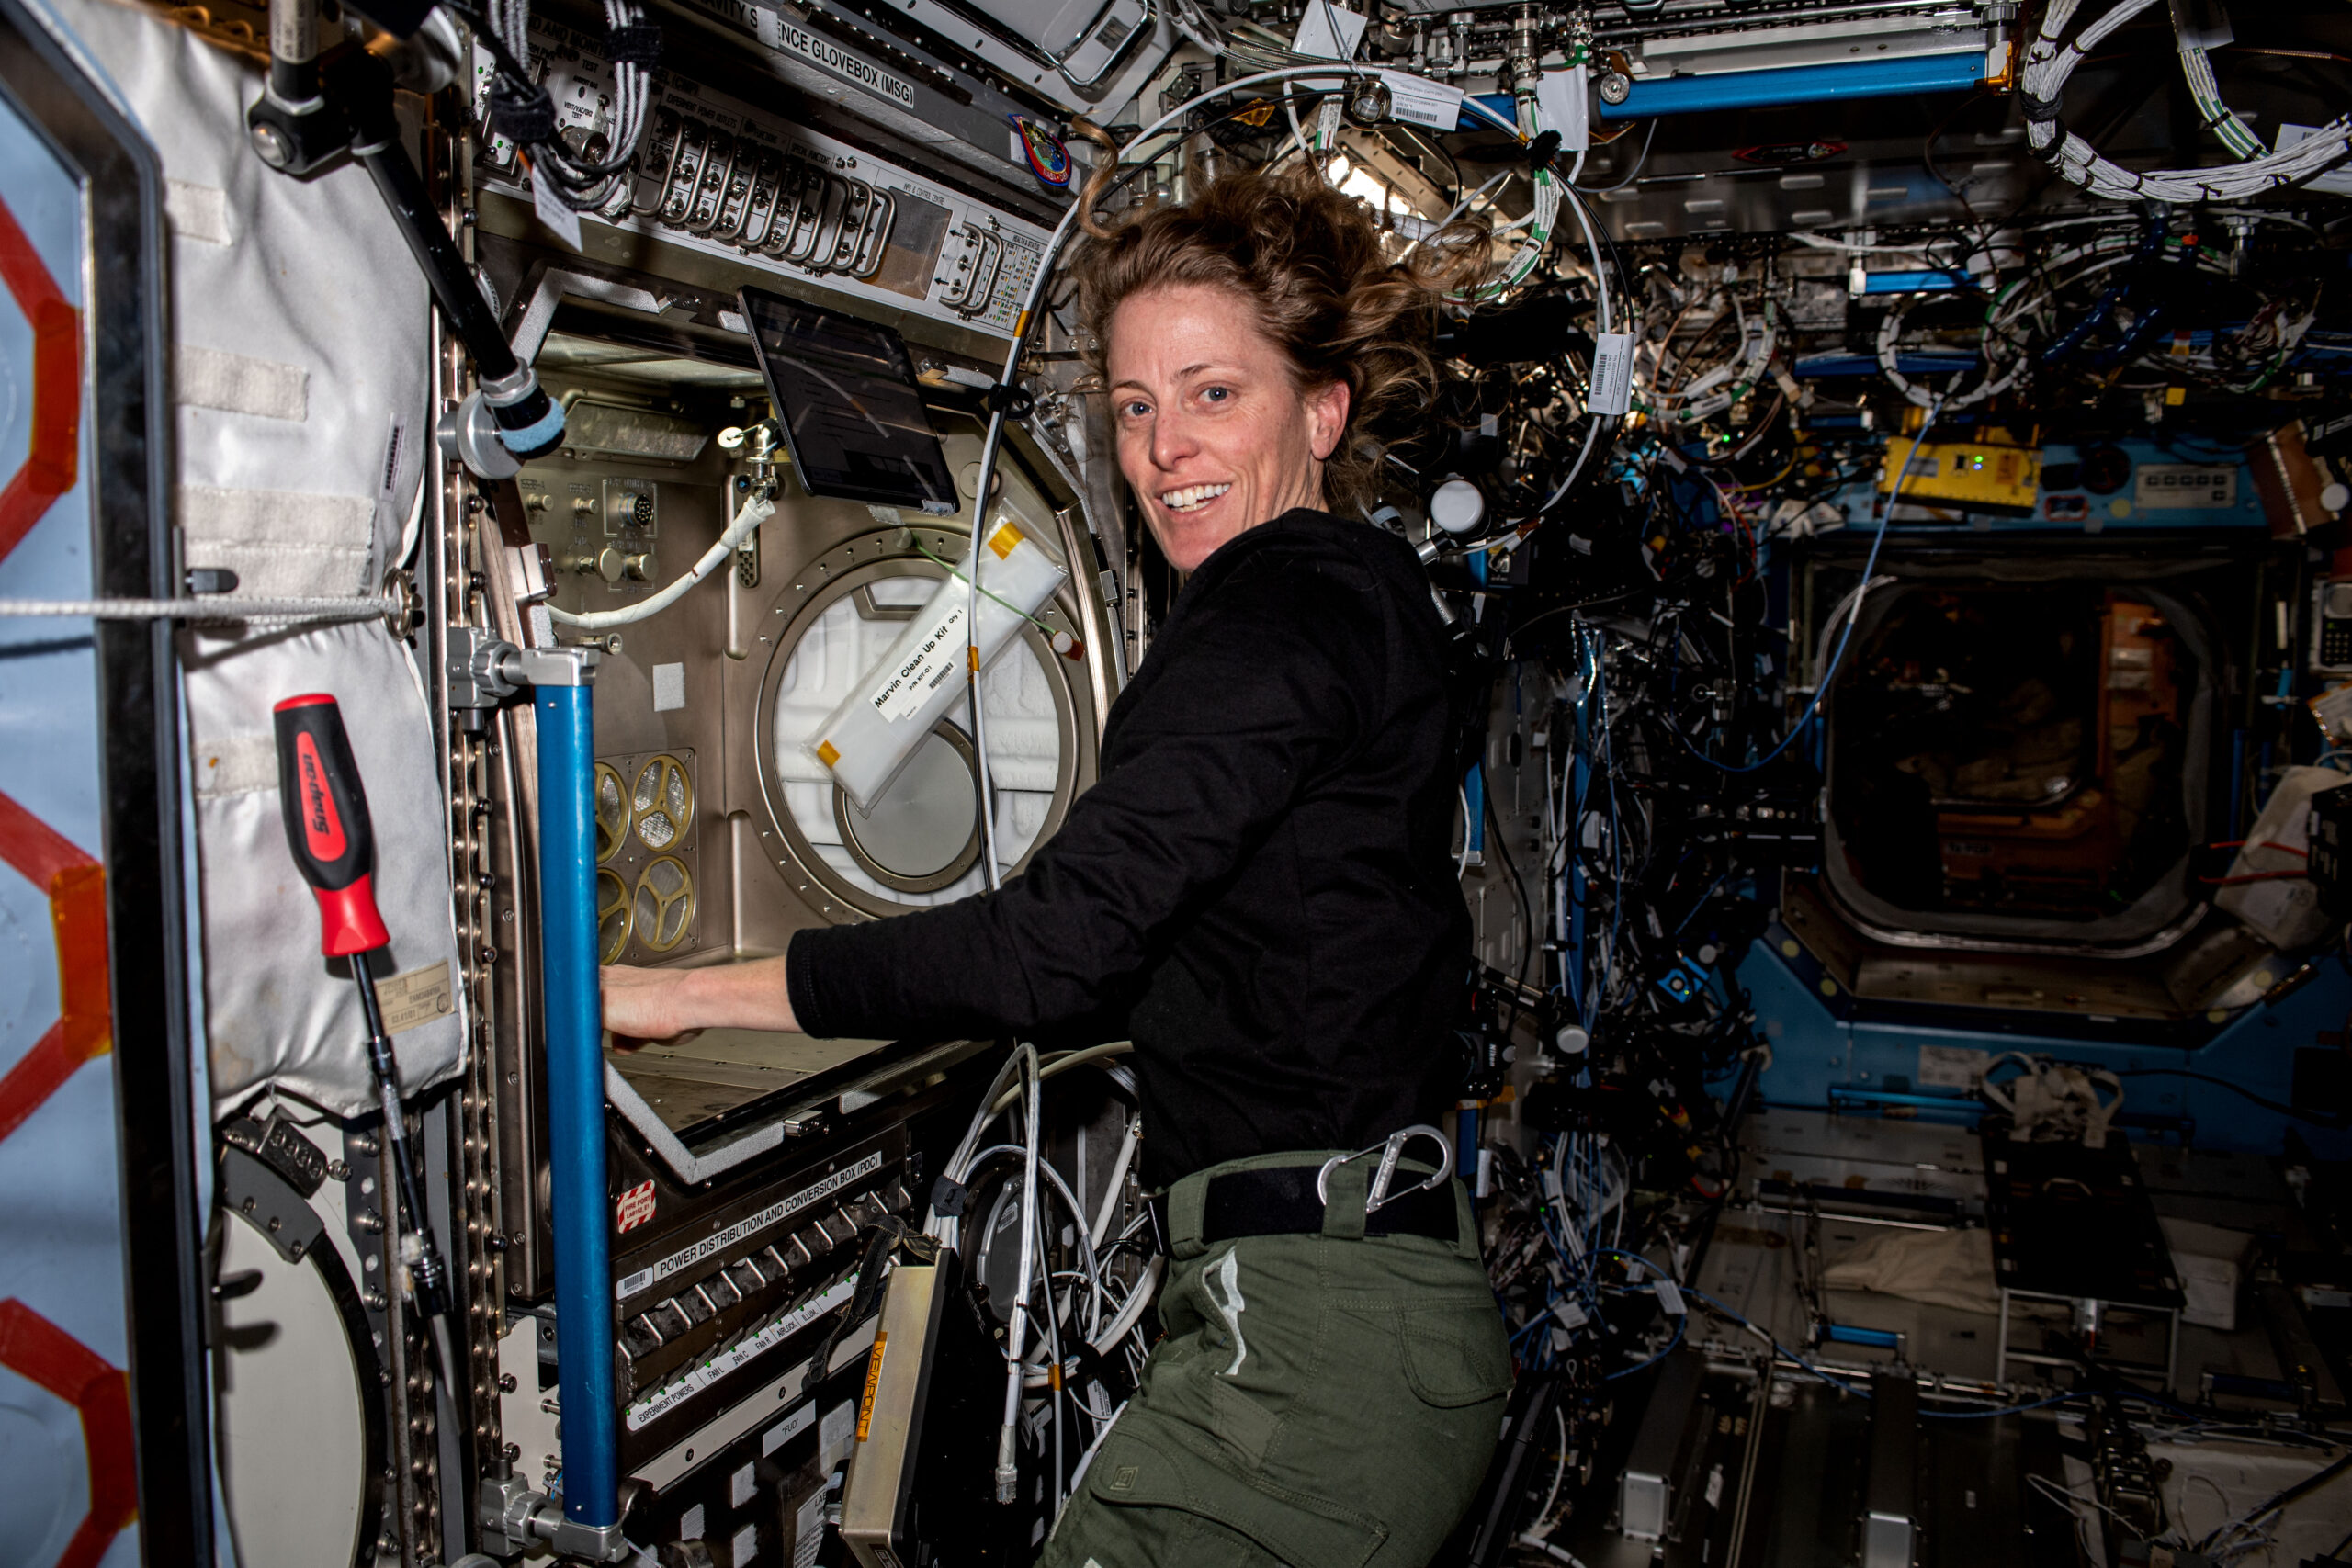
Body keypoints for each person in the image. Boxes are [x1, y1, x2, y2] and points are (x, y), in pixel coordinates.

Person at [602, 165, 1511, 1568]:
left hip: (1317, 1352)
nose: (1165, 450)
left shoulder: (1279, 603)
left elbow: (1055, 951)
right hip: (1341, 1307)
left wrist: (678, 1000)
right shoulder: (1356, 597)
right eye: (1137, 409)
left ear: (1321, 411)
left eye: (1215, 394)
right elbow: (1159, 942)